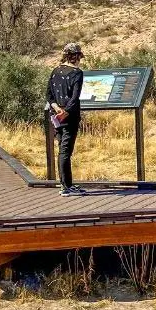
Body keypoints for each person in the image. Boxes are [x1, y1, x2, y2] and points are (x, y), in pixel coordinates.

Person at [47, 43, 86, 196]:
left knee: (62, 149)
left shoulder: (55, 71)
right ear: (76, 57)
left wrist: (57, 109)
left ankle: (66, 183)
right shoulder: (77, 73)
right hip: (70, 116)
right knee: (66, 151)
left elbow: (49, 95)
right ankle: (66, 187)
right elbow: (74, 98)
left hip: (56, 115)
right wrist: (66, 112)